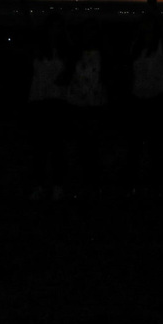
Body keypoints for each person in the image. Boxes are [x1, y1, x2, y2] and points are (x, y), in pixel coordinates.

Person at [126, 11, 163, 196]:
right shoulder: (135, 46)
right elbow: (131, 72)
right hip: (138, 98)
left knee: (155, 144)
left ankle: (156, 184)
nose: (147, 27)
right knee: (135, 145)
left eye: (150, 24)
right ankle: (133, 183)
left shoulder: (161, 45)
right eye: (144, 23)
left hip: (157, 99)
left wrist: (156, 10)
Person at [27, 13, 70, 201]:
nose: (54, 31)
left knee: (57, 147)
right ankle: (39, 186)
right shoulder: (38, 49)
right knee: (40, 148)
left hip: (58, 102)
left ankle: (57, 186)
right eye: (52, 27)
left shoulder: (65, 51)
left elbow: (67, 76)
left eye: (57, 27)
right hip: (39, 101)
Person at [65, 18, 109, 197]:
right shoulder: (74, 53)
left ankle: (94, 182)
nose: (88, 35)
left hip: (96, 104)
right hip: (77, 104)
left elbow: (107, 78)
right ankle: (84, 182)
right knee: (81, 146)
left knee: (94, 145)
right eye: (86, 31)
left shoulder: (103, 54)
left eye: (92, 31)